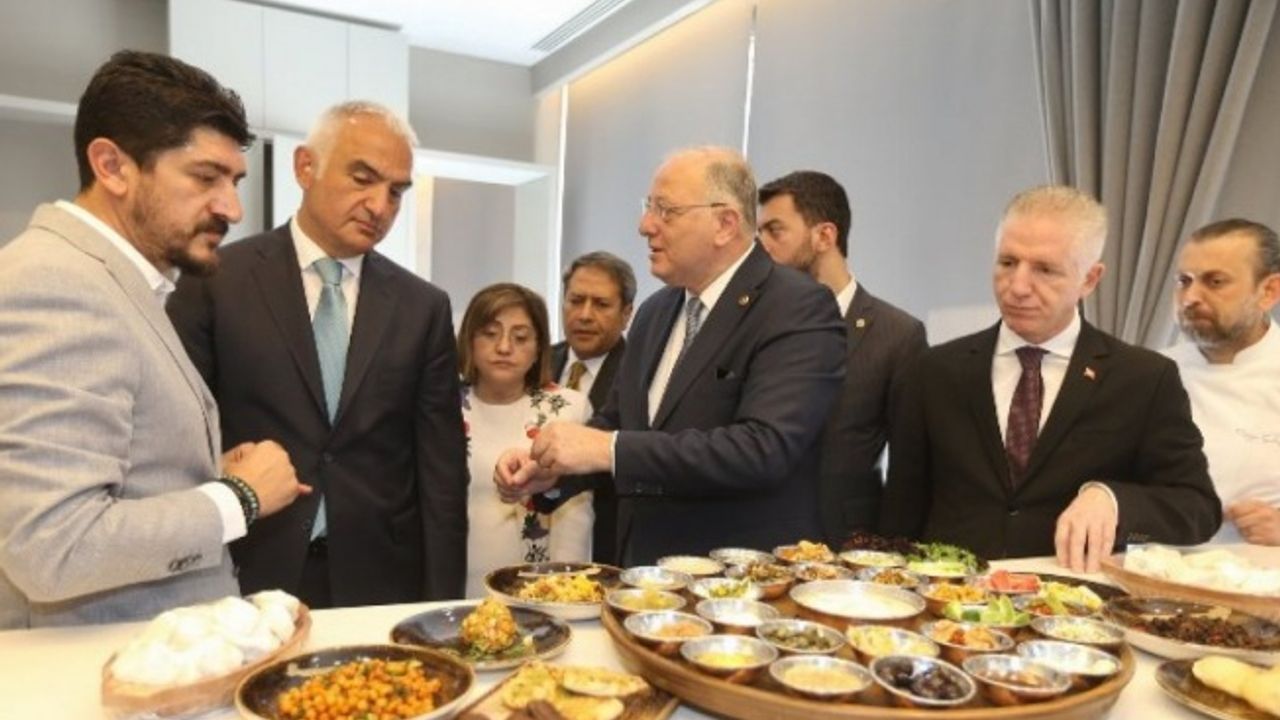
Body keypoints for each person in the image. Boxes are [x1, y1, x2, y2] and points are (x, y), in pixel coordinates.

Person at [0, 51, 306, 628]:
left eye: (234, 181)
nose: (232, 208)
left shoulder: (124, 281)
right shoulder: (57, 283)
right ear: (112, 166)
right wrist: (239, 498)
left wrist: (200, 472)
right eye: (205, 177)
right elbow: (53, 545)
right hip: (96, 665)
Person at [167, 101, 468, 607]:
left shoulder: (423, 308)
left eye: (396, 192)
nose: (380, 206)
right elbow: (173, 437)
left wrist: (442, 605)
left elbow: (442, 472)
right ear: (306, 167)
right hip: (248, 568)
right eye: (363, 179)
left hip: (381, 579)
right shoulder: (216, 280)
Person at [495, 146, 846, 566]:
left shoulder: (796, 307)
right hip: (643, 574)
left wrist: (607, 448)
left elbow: (762, 449)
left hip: (733, 583)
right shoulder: (655, 311)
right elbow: (621, 422)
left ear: (724, 224)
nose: (645, 225)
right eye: (649, 207)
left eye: (666, 210)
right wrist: (554, 470)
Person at [881, 185, 1220, 572]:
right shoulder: (935, 370)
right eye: (1008, 262)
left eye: (1044, 269)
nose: (1018, 286)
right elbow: (901, 509)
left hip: (1072, 597)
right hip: (949, 596)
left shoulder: (1144, 379)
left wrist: (1113, 500)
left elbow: (1197, 508)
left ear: (1090, 279)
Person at [758, 171, 927, 544]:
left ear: (824, 236)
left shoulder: (897, 335)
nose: (761, 247)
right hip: (758, 538)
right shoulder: (755, 325)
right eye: (759, 234)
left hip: (849, 542)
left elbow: (910, 467)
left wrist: (890, 551)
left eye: (774, 231)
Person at [459, 284, 593, 596]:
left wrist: (564, 593)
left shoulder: (568, 408)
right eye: (490, 334)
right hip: (452, 584)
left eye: (520, 337)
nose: (504, 347)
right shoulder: (439, 407)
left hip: (537, 590)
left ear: (539, 348)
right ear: (469, 340)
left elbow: (576, 517)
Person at [1164, 219, 1280, 545]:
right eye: (1184, 281)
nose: (1190, 297)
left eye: (1215, 282)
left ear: (1269, 291)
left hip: (1260, 570)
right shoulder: (1152, 372)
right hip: (1152, 566)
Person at [550, 251, 636, 563]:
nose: (585, 315)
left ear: (626, 314)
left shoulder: (639, 374)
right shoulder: (536, 362)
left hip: (605, 550)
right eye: (575, 301)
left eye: (600, 304)